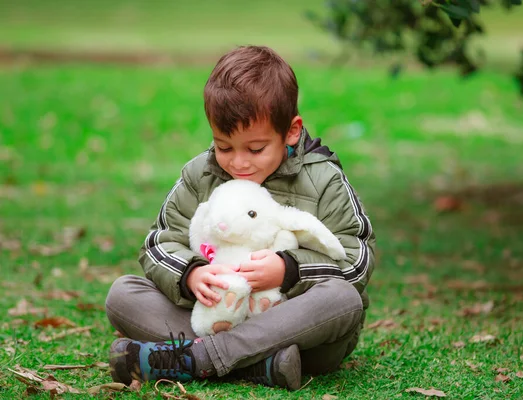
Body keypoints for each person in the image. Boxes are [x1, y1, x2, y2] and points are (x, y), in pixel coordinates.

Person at [105, 45, 376, 391]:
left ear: (291, 132)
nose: (238, 163)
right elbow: (159, 242)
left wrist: (289, 269)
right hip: (217, 320)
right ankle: (260, 366)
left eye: (255, 149)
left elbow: (357, 263)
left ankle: (198, 359)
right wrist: (191, 273)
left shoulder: (324, 179)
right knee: (122, 293)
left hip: (301, 335)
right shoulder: (200, 174)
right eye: (224, 146)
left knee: (343, 299)